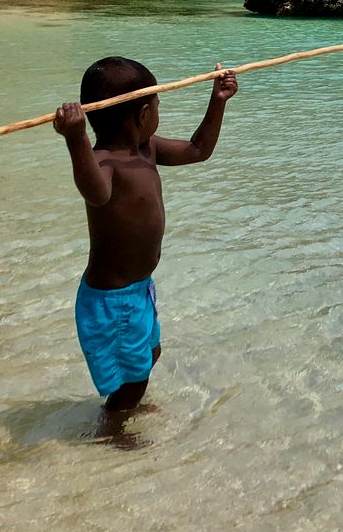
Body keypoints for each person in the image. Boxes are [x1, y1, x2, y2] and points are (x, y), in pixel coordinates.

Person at [53, 56, 237, 431]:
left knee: (150, 354)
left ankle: (125, 407)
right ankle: (112, 425)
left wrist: (217, 101)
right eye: (157, 106)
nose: (158, 112)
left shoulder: (147, 149)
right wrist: (76, 141)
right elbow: (95, 193)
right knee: (134, 380)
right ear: (141, 114)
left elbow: (197, 150)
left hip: (138, 290)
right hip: (113, 300)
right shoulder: (103, 162)